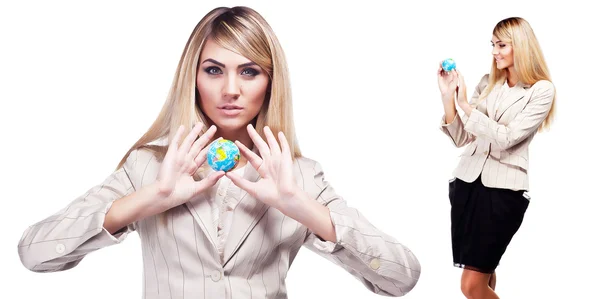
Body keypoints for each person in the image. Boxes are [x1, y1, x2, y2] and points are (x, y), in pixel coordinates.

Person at [17, 6, 420, 298]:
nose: (231, 90)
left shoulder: (300, 176)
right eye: (213, 70)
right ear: (192, 78)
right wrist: (151, 198)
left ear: (270, 81)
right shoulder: (148, 166)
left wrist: (300, 205)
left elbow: (401, 277)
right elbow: (35, 253)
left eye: (249, 71)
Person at [437, 17, 556, 299]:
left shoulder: (542, 90)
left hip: (503, 193)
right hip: (467, 185)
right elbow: (462, 138)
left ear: (521, 46)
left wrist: (465, 104)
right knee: (484, 274)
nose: (494, 51)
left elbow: (507, 138)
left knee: (471, 286)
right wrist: (448, 98)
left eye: (502, 45)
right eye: (493, 45)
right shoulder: (488, 83)